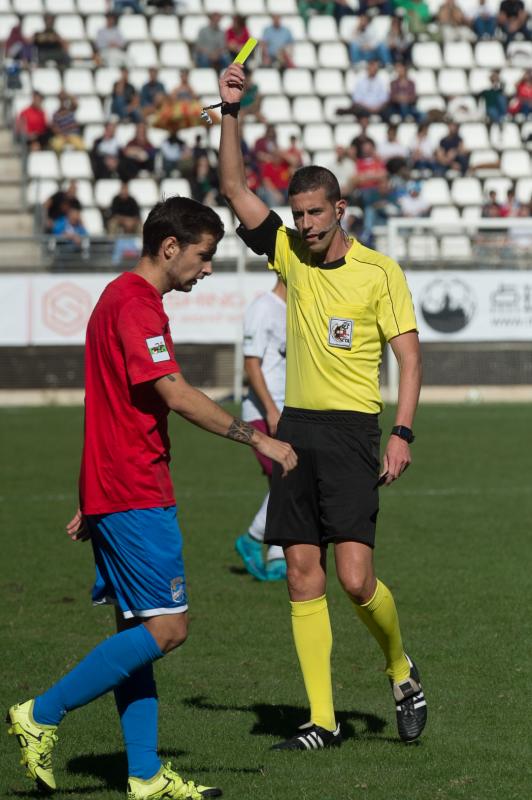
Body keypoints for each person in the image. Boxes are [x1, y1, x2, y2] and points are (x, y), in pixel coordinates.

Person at [6, 195, 297, 798]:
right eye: (204, 255)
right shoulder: (135, 305)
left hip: (117, 486)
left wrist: (94, 496)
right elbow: (175, 392)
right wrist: (257, 438)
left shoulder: (119, 297)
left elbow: (109, 401)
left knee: (136, 630)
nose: (208, 267)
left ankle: (142, 776)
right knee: (168, 628)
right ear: (170, 248)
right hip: (134, 488)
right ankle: (41, 714)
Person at [218, 62, 427, 751]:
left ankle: (399, 666)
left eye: (315, 212)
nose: (305, 224)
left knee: (355, 578)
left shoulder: (379, 271)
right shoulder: (288, 254)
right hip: (296, 432)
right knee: (301, 575)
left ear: (341, 210)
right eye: (298, 213)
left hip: (354, 434)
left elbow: (408, 356)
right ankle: (323, 720)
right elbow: (233, 189)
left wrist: (401, 432)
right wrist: (230, 112)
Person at [235, 278, 288, 582]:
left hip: (288, 408)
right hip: (266, 411)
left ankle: (277, 555)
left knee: (284, 482)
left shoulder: (293, 307)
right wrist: (270, 409)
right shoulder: (262, 307)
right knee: (289, 479)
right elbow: (252, 364)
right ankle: (254, 538)